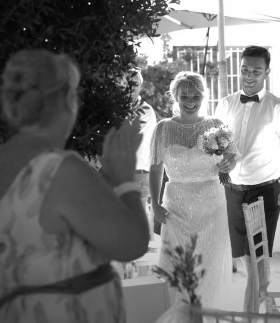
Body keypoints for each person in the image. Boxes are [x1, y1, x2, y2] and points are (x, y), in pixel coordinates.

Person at [0, 49, 149, 322]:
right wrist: (125, 180)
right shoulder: (59, 169)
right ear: (66, 100)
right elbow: (133, 244)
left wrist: (105, 179)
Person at [214, 45, 280, 312]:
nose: (249, 76)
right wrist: (220, 162)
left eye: (256, 71)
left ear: (267, 72)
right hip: (232, 190)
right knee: (249, 260)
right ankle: (266, 298)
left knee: (254, 261)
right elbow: (214, 146)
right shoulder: (225, 104)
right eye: (245, 70)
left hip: (264, 191)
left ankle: (250, 312)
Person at [149, 71, 234, 309]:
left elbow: (231, 159)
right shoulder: (162, 128)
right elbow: (155, 170)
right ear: (175, 96)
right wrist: (154, 204)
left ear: (203, 96)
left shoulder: (216, 126)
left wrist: (229, 164)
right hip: (175, 209)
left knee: (208, 270)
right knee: (176, 270)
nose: (190, 101)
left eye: (195, 95)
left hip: (212, 208)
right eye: (184, 95)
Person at [129, 69, 157, 241]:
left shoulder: (146, 110)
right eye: (128, 84)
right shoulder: (113, 110)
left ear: (141, 86)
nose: (132, 88)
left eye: (136, 85)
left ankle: (143, 266)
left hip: (139, 174)